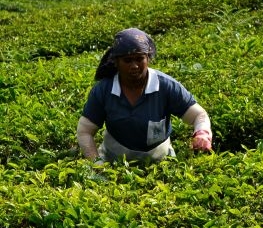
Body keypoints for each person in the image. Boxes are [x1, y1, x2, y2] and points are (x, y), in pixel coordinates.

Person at [76, 27, 212, 162]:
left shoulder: (166, 86)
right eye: (127, 60)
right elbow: (85, 131)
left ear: (148, 58)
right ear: (116, 62)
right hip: (113, 161)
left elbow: (198, 115)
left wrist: (202, 134)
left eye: (139, 59)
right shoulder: (104, 89)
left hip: (160, 161)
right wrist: (97, 165)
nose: (134, 66)